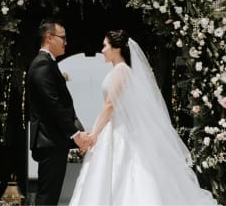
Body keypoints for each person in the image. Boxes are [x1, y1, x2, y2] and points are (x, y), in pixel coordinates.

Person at [69, 30, 217, 205]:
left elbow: (110, 105)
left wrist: (94, 134)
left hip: (118, 131)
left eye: (105, 46)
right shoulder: (121, 70)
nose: (102, 50)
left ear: (116, 49)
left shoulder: (121, 71)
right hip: (115, 127)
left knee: (121, 175)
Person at [27, 19, 92, 205]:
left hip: (53, 140)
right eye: (62, 38)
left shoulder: (47, 63)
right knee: (47, 196)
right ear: (49, 37)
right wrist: (75, 133)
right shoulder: (42, 64)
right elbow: (53, 104)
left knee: (50, 195)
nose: (66, 42)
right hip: (50, 141)